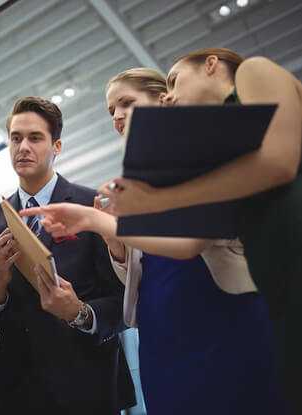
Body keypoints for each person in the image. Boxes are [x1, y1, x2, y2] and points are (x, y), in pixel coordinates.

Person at [36, 67, 277, 414]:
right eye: (111, 111)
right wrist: (110, 236)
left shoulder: (204, 155)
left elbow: (193, 239)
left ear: (163, 101)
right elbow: (136, 274)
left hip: (215, 309)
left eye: (126, 103)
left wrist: (98, 220)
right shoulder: (130, 183)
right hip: (158, 325)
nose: (117, 115)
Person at [98, 48, 301, 410]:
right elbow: (172, 249)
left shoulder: (252, 75)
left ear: (211, 65)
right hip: (183, 312)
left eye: (173, 83)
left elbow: (279, 164)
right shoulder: (145, 176)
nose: (171, 95)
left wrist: (148, 205)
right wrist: (110, 231)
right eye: (111, 111)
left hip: (240, 292)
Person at [0, 96, 135, 414]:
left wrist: (79, 311)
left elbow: (124, 298)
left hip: (88, 384)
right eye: (16, 138)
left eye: (35, 138)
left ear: (57, 147)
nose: (23, 147)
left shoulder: (93, 206)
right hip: (17, 389)